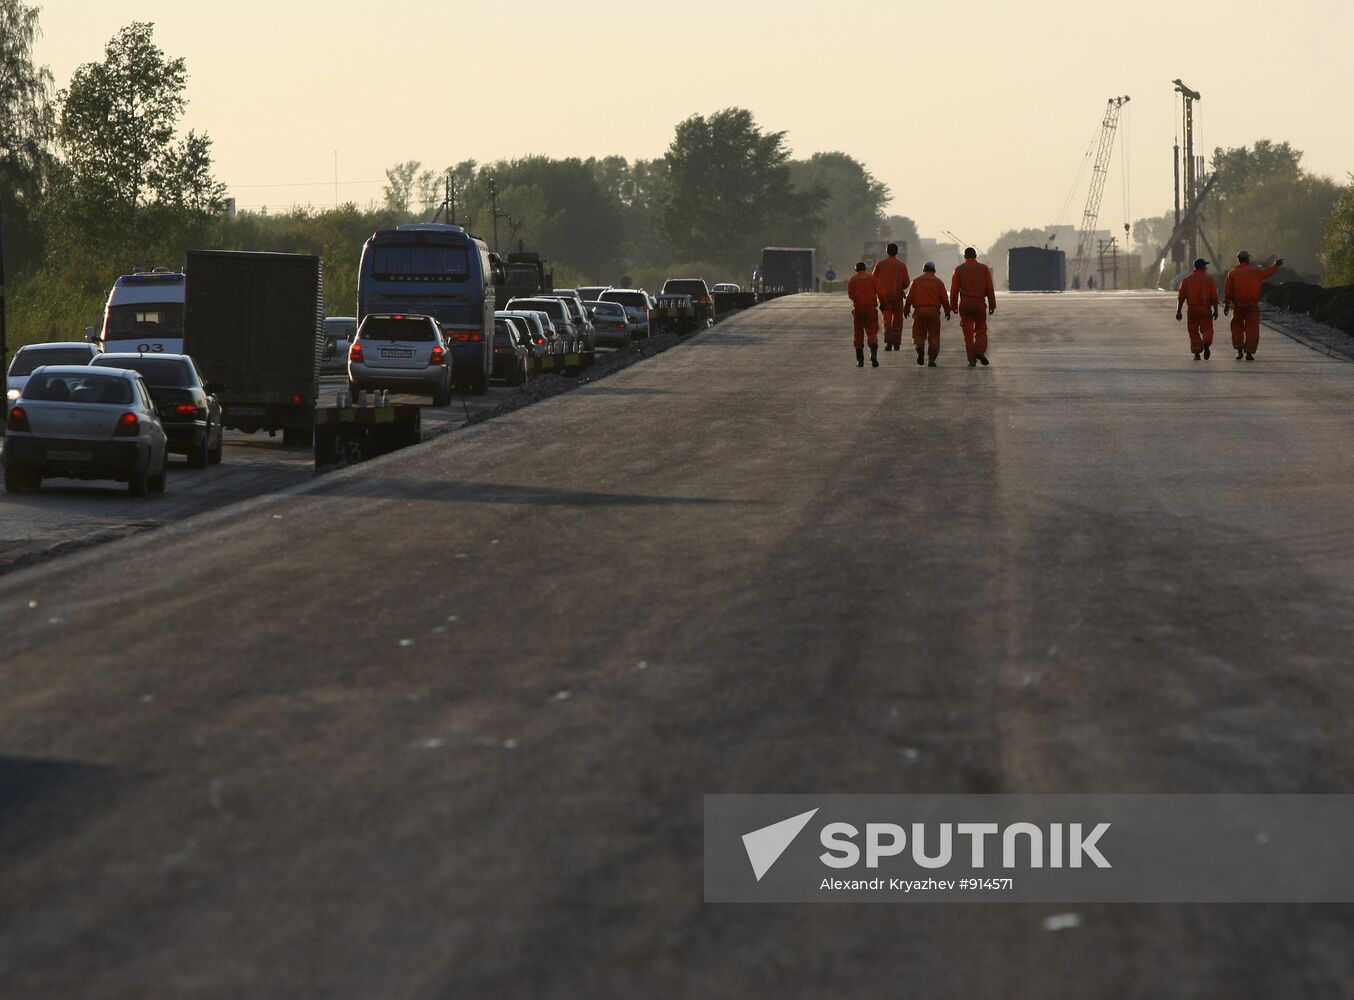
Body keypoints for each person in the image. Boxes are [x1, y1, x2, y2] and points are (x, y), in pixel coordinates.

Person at [1223, 250, 1283, 360]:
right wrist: (1276, 266)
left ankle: (1239, 350)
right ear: (1247, 259)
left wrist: (1227, 304)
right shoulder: (1255, 271)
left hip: (1238, 305)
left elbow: (1228, 290)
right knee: (1252, 328)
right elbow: (1267, 273)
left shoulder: (1232, 273)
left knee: (1237, 327)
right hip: (1252, 305)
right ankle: (1249, 352)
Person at [950, 247, 996, 366]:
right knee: (981, 328)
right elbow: (990, 288)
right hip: (980, 303)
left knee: (968, 332)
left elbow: (954, 290)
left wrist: (953, 305)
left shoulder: (959, 270)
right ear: (976, 256)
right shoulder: (984, 269)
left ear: (965, 256)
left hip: (965, 303)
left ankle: (971, 359)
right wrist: (992, 304)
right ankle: (980, 350)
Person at [903, 261, 952, 367]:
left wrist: (906, 309)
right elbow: (944, 298)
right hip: (934, 312)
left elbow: (909, 297)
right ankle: (931, 360)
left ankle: (919, 347)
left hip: (919, 312)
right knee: (934, 335)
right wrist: (947, 311)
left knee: (919, 333)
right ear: (934, 270)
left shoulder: (916, 281)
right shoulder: (938, 282)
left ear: (924, 270)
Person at [1176, 257, 1219, 360]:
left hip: (1192, 310)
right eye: (1205, 266)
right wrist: (1216, 310)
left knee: (1193, 331)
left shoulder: (1187, 280)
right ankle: (1206, 344)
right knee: (1207, 329)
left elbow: (1181, 297)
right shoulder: (1209, 280)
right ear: (1203, 267)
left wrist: (1178, 311)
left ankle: (1197, 354)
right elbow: (1214, 296)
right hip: (1205, 309)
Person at [872, 243, 911, 352]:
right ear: (897, 252)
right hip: (897, 299)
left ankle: (888, 341)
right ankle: (896, 343)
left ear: (887, 251)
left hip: (884, 299)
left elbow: (873, 281)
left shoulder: (880, 265)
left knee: (887, 321)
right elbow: (906, 283)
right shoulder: (901, 265)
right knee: (897, 322)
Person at [847, 261, 884, 368]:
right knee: (872, 332)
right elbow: (881, 293)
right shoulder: (873, 279)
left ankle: (860, 360)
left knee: (858, 334)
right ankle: (873, 355)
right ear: (865, 269)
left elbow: (850, 295)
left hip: (858, 309)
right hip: (871, 309)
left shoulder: (852, 280)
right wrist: (883, 304)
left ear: (856, 270)